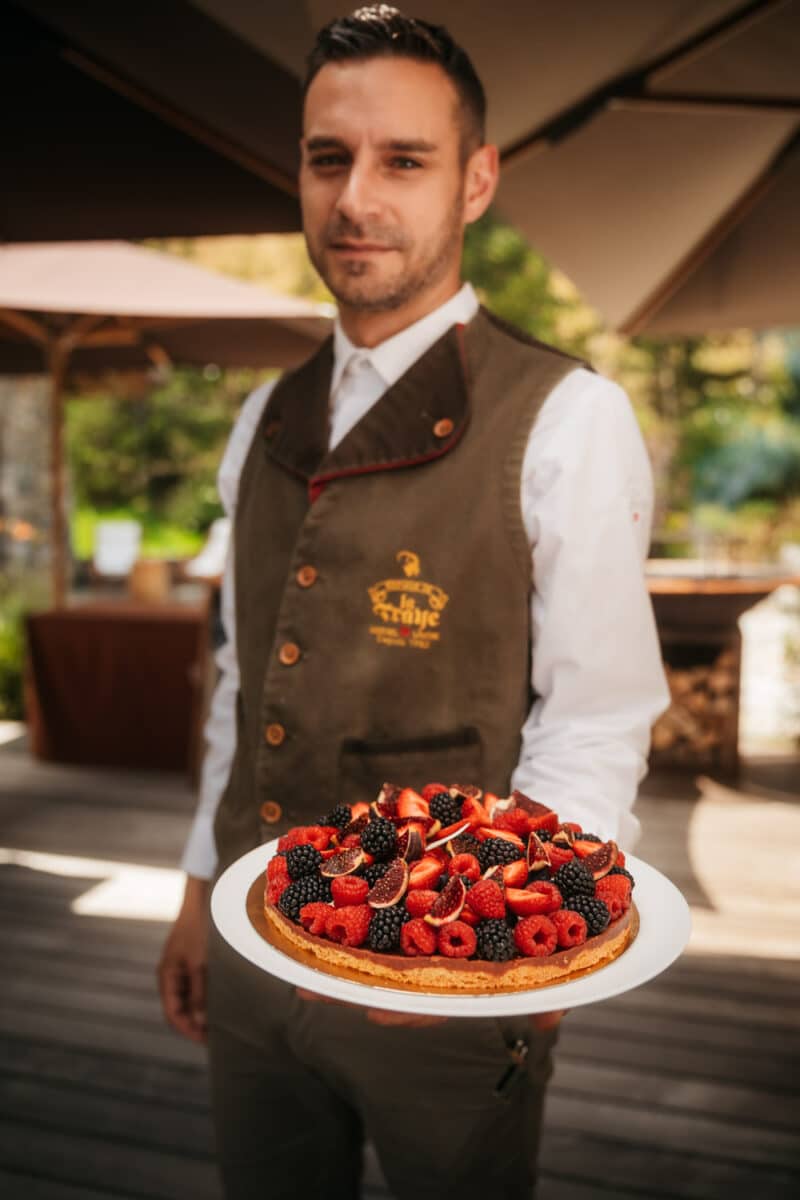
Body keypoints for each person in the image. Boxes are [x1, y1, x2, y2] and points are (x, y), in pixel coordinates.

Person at [158, 7, 669, 1198]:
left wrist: (523, 969)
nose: (354, 199)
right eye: (328, 158)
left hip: (444, 972)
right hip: (251, 945)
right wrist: (195, 894)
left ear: (475, 179)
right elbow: (241, 684)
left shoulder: (564, 416)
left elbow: (593, 719)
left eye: (403, 160)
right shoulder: (261, 418)